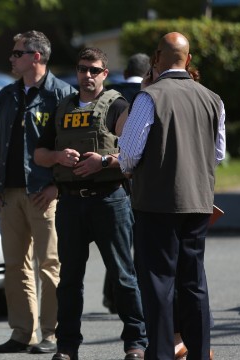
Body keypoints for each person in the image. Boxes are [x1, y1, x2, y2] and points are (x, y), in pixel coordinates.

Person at [34, 47, 148, 360]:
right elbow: (39, 154)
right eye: (83, 69)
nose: (87, 75)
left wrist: (104, 162)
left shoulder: (117, 105)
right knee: (69, 280)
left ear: (104, 74)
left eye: (94, 70)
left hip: (109, 199)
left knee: (124, 276)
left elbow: (134, 153)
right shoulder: (63, 107)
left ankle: (136, 343)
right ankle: (67, 347)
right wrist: (58, 156)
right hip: (71, 203)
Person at [118, 32, 225, 360]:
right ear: (188, 60)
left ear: (156, 59)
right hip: (198, 201)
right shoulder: (212, 98)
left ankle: (162, 353)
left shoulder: (149, 97)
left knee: (158, 284)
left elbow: (128, 155)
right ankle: (200, 352)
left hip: (157, 203)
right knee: (194, 282)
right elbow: (218, 154)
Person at [0, 30, 75, 354]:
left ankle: (52, 333)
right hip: (8, 193)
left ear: (36, 57)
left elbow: (71, 149)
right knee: (15, 265)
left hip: (43, 192)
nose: (11, 58)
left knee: (50, 264)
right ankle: (23, 332)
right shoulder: (6, 95)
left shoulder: (62, 95)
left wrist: (56, 187)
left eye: (17, 53)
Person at [102, 52, 151, 313]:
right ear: (147, 73)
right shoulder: (150, 95)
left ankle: (112, 295)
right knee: (139, 240)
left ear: (124, 73)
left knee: (118, 243)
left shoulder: (110, 95)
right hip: (139, 176)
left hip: (110, 176)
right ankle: (136, 294)